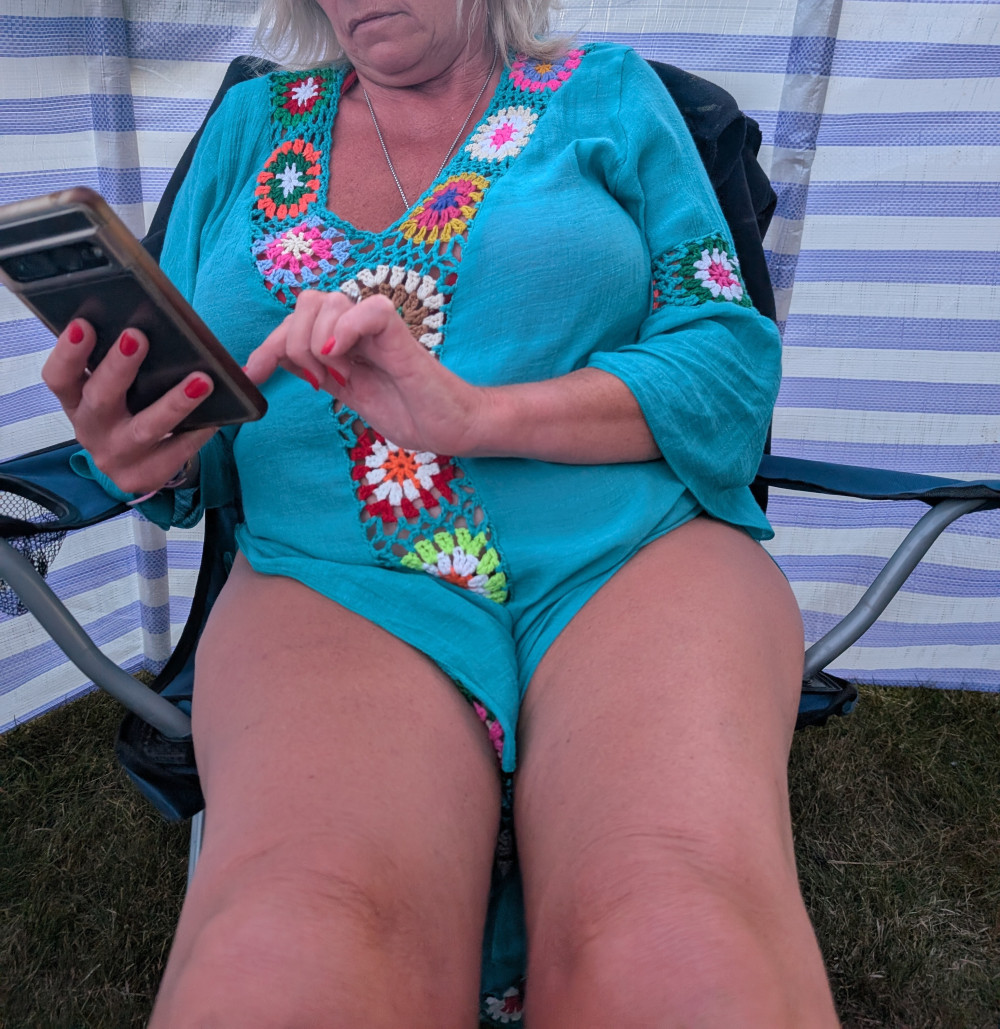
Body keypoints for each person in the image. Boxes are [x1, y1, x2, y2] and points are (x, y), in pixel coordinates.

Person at [42, 0, 841, 1024]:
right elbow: (193, 410)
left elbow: (725, 366)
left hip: (629, 558)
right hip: (332, 579)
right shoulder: (250, 128)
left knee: (679, 927)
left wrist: (475, 415)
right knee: (296, 938)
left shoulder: (609, 95)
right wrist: (150, 452)